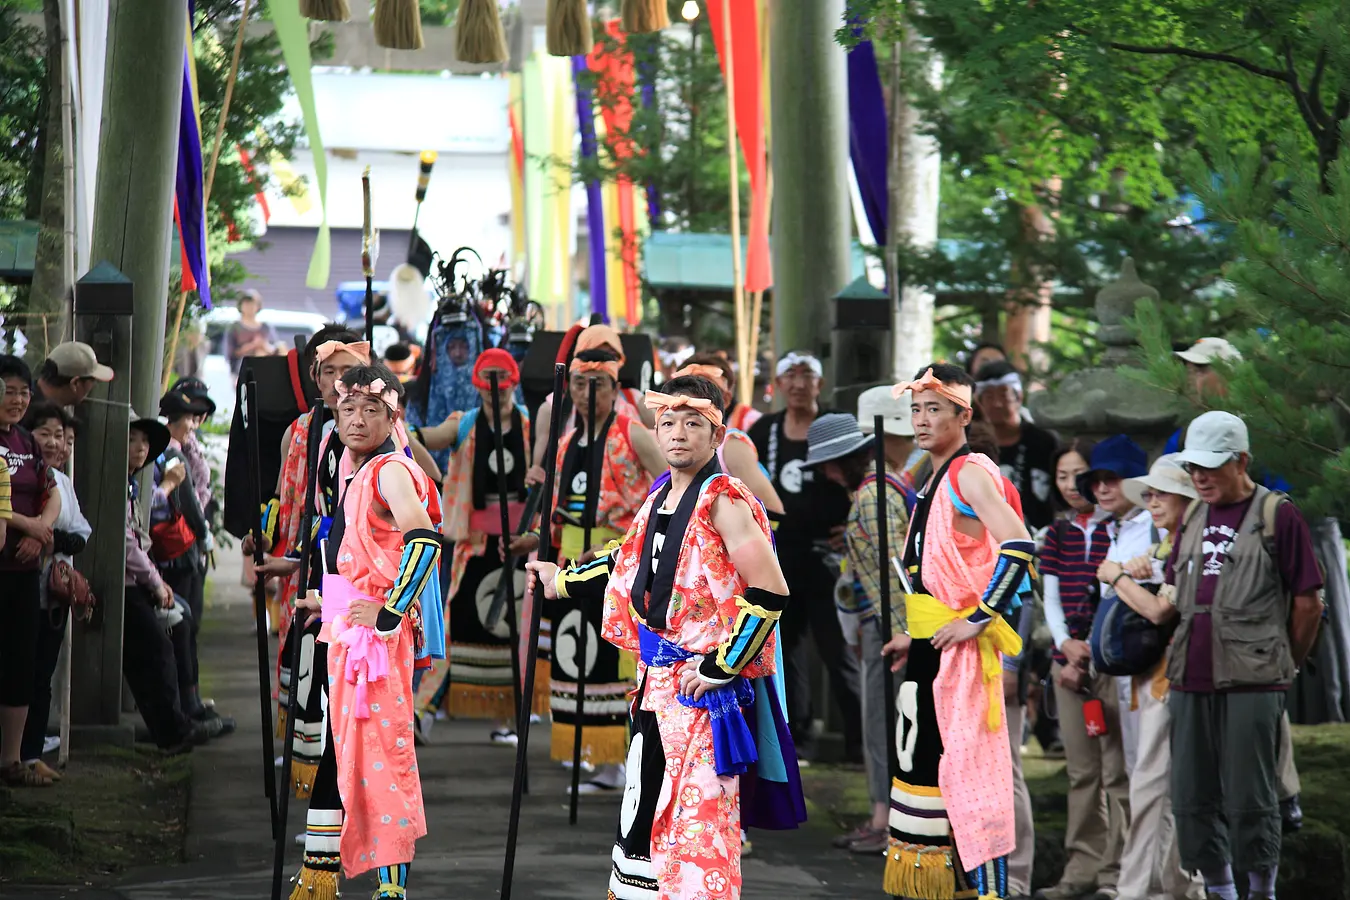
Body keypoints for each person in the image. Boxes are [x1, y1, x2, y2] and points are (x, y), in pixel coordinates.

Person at [526, 373, 804, 900]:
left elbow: (771, 589)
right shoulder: (659, 500)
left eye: (693, 423)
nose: (678, 433)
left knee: (696, 833)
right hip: (654, 687)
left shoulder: (724, 500)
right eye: (669, 422)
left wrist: (722, 665)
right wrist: (560, 580)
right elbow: (625, 560)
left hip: (705, 695)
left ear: (717, 436)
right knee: (641, 821)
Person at [287, 364, 443, 900]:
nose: (357, 419)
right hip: (350, 635)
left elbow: (424, 540)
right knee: (355, 756)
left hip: (378, 640)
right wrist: (324, 601)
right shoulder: (355, 473)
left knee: (385, 755)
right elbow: (358, 565)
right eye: (348, 409)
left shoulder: (390, 471)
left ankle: (393, 888)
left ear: (390, 416)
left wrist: (390, 613)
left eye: (371, 410)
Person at [878, 364, 1034, 900]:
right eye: (915, 409)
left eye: (933, 409)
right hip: (932, 644)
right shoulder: (935, 472)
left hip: (962, 651)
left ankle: (985, 894)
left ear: (963, 415)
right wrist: (916, 634)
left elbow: (1020, 543)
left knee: (968, 777)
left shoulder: (969, 470)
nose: (920, 420)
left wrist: (977, 618)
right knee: (926, 769)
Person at [1164, 412, 1323, 900]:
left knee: (1252, 796)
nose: (1200, 477)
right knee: (1191, 793)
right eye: (1193, 467)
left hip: (1254, 678)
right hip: (1190, 675)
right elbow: (1173, 591)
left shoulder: (1278, 514)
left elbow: (1308, 602)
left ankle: (1260, 890)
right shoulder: (1192, 515)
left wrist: (1283, 663)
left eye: (1211, 467)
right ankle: (1219, 890)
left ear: (1242, 461)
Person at [256, 329, 369, 799]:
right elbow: (284, 498)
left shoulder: (377, 428)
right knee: (308, 661)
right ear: (314, 379)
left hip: (358, 564)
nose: (338, 381)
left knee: (344, 668)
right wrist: (265, 535)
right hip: (308, 555)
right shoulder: (299, 430)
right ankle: (311, 763)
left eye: (348, 371)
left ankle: (340, 782)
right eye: (329, 372)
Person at [547, 345, 663, 792]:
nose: (586, 393)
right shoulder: (565, 442)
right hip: (572, 556)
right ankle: (591, 750)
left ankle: (615, 758)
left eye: (597, 384)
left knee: (613, 657)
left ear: (616, 388)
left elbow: (665, 486)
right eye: (578, 383)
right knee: (578, 656)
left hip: (619, 555)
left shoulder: (632, 432)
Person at [1036, 436, 1146, 900]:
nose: (1079, 486)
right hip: (1070, 665)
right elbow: (1052, 595)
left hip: (1114, 660)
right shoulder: (1058, 533)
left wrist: (1088, 647)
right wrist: (1065, 645)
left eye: (1085, 476)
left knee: (1118, 770)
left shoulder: (1127, 528)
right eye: (1067, 477)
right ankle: (1080, 867)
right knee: (1082, 772)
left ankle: (1117, 872)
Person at [1095, 455, 1204, 900]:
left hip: (1176, 678)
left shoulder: (1188, 545)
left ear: (1187, 497)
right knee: (1165, 785)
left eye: (1161, 493)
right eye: (1151, 493)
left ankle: (1138, 888)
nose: (1152, 501)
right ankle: (1180, 885)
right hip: (1164, 677)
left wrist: (1117, 575)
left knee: (1153, 785)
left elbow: (1161, 610)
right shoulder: (1168, 547)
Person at [414, 349, 534, 743]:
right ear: (478, 385)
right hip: (475, 543)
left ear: (514, 383)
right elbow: (422, 439)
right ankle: (422, 710)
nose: (497, 390)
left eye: (503, 380)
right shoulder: (463, 424)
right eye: (490, 381)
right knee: (452, 625)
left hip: (520, 545)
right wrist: (398, 428)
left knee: (518, 633)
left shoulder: (532, 427)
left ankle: (511, 718)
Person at [747, 350, 861, 762]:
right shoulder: (764, 430)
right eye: (789, 375)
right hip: (780, 556)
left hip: (828, 556)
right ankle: (797, 740)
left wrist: (851, 530)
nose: (798, 383)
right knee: (783, 652)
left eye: (806, 375)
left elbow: (858, 480)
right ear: (777, 385)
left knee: (839, 649)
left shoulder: (835, 427)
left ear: (820, 383)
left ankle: (858, 744)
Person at [808, 410, 908, 857]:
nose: (827, 472)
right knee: (881, 724)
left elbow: (893, 573)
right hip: (882, 623)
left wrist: (897, 631)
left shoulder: (872, 497)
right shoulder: (881, 489)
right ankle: (883, 817)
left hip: (886, 626)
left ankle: (886, 820)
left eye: (831, 462)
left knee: (880, 724)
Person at [124, 413, 217, 753]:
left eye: (145, 442)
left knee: (178, 625)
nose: (140, 448)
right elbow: (127, 544)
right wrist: (156, 583)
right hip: (128, 583)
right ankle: (172, 731)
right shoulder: (122, 481)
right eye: (133, 440)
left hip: (141, 578)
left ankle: (182, 717)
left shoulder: (133, 482)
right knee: (156, 648)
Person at [19, 404, 89, 782]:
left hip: (53, 595)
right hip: (18, 584)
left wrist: (49, 539)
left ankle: (30, 754)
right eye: (44, 432)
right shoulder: (17, 475)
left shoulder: (61, 482)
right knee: (16, 671)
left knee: (42, 674)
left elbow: (81, 533)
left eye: (60, 436)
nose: (53, 441)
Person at [0, 355, 60, 786]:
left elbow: (51, 491)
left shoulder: (26, 442)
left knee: (20, 663)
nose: (17, 399)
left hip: (24, 572)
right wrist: (32, 526)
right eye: (8, 390)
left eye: (23, 391)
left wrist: (41, 531)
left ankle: (12, 759)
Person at [670, 356, 782, 515]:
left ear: (726, 399)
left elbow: (772, 512)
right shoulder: (669, 440)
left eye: (706, 391)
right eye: (685, 392)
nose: (693, 400)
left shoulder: (730, 446)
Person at [974, 360, 1059, 531]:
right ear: (979, 402)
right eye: (989, 397)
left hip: (1042, 536)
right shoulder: (974, 445)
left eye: (1003, 395)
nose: (997, 404)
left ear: (1019, 397)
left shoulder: (1044, 441)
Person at [33, 340, 114, 407]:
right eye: (93, 380)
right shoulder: (41, 420)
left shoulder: (26, 397)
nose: (93, 386)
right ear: (75, 383)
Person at [225, 290, 279, 372]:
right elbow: (231, 353)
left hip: (265, 370)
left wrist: (263, 345)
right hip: (241, 371)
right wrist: (252, 345)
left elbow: (275, 350)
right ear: (241, 305)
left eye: (253, 303)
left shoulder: (266, 328)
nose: (250, 307)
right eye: (246, 303)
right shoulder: (235, 327)